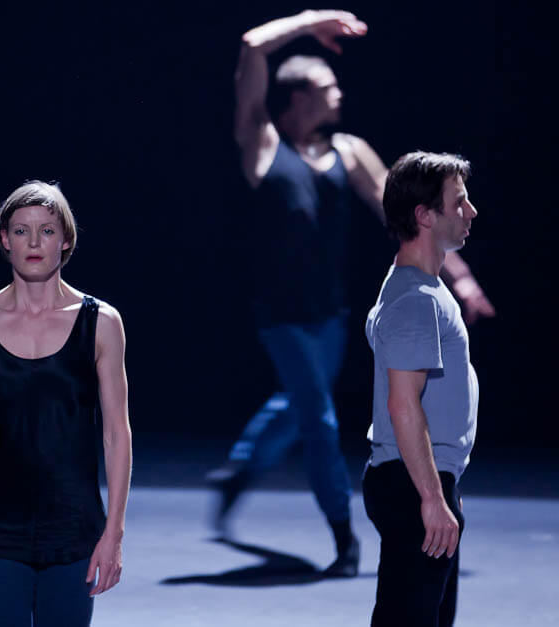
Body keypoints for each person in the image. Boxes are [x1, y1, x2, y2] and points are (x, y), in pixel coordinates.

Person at [207, 10, 494, 576]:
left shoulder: (349, 151)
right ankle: (344, 538)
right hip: (281, 315)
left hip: (330, 315)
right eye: (326, 86)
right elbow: (251, 46)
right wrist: (312, 21)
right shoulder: (262, 144)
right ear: (297, 98)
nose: (338, 93)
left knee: (299, 404)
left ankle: (241, 469)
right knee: (317, 415)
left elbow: (417, 218)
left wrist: (460, 276)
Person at [0, 181, 132, 627]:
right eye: (21, 230)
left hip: (75, 528)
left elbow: (116, 433)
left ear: (65, 240)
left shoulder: (101, 323)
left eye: (46, 230)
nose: (33, 242)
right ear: (5, 240)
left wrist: (114, 533)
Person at [363, 151, 479, 626]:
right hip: (412, 485)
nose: (471, 211)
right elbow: (403, 405)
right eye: (459, 202)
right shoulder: (415, 299)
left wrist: (441, 487)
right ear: (425, 215)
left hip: (419, 480)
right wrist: (431, 496)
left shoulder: (423, 288)